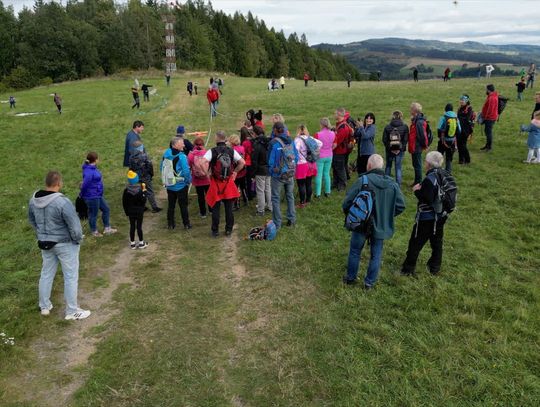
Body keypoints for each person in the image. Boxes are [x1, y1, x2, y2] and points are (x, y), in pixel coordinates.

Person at [28, 171, 91, 320]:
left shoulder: (33, 200)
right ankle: (71, 311)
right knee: (70, 276)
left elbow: (31, 220)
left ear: (47, 183)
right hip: (65, 244)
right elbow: (75, 226)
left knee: (46, 274)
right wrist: (77, 240)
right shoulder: (63, 202)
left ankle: (44, 306)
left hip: (45, 244)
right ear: (58, 183)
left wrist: (41, 234)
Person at [342, 154, 405, 288]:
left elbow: (347, 202)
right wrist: (386, 214)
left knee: (355, 251)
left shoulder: (363, 180)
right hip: (381, 225)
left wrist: (352, 214)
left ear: (369, 166)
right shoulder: (392, 184)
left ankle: (350, 278)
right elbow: (401, 205)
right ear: (381, 166)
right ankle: (369, 282)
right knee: (376, 255)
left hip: (361, 223)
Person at [401, 151, 450, 276]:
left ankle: (408, 269)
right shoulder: (445, 174)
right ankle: (434, 267)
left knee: (415, 243)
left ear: (429, 164)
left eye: (426, 161)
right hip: (441, 215)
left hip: (427, 218)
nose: (425, 163)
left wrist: (416, 191)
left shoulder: (430, 179)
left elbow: (426, 199)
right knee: (437, 242)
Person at [204, 131, 245, 237]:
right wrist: (235, 172)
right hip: (228, 182)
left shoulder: (211, 151)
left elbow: (201, 162)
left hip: (216, 182)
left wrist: (206, 173)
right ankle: (228, 230)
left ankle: (215, 231)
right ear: (225, 139)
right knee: (229, 208)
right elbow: (242, 162)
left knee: (215, 208)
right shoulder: (231, 151)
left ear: (216, 139)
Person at [268, 121, 298, 228]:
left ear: (275, 130)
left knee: (275, 198)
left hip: (278, 175)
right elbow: (296, 156)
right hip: (290, 173)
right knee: (290, 196)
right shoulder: (291, 141)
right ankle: (292, 219)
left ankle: (277, 223)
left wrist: (272, 172)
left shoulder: (273, 143)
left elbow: (270, 161)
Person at [80, 152, 117, 237]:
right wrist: (82, 194)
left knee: (106, 209)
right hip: (92, 196)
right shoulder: (89, 171)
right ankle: (94, 232)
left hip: (97, 194)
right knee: (93, 214)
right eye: (98, 158)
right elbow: (85, 184)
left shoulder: (92, 168)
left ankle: (107, 229)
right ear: (95, 160)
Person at [161, 137, 192, 230]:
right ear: (175, 145)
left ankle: (170, 224)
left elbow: (161, 167)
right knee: (183, 206)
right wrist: (188, 181)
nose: (184, 145)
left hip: (169, 185)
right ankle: (186, 224)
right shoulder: (182, 156)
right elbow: (186, 171)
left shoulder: (166, 153)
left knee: (171, 205)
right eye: (181, 143)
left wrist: (166, 179)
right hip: (180, 185)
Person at [129, 140, 161, 213]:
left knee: (139, 192)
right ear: (140, 147)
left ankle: (141, 207)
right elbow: (150, 166)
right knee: (149, 191)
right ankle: (154, 207)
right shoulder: (144, 156)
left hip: (136, 177)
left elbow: (131, 168)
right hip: (146, 177)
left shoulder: (131, 157)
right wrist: (151, 175)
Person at [294, 124, 322, 208]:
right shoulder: (310, 138)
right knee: (308, 183)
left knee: (301, 184)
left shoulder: (297, 140)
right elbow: (320, 143)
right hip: (311, 163)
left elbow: (295, 149)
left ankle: (302, 202)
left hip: (301, 164)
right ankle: (308, 200)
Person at [122, 171, 149, 249]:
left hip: (130, 212)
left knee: (132, 226)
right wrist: (145, 191)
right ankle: (141, 243)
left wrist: (126, 212)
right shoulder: (140, 190)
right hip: (139, 211)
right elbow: (143, 201)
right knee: (139, 227)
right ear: (136, 180)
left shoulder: (126, 190)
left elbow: (124, 202)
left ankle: (132, 244)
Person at [382, 110, 409, 186]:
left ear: (392, 117)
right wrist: (399, 149)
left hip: (389, 151)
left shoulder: (387, 127)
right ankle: (398, 186)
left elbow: (384, 140)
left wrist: (390, 148)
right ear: (401, 117)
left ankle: (386, 184)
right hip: (400, 151)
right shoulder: (405, 127)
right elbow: (405, 140)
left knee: (388, 166)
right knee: (398, 168)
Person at [250, 125, 272, 216]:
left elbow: (254, 160)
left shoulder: (257, 145)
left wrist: (253, 173)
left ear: (254, 134)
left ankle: (260, 209)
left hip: (260, 170)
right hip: (268, 168)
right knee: (268, 188)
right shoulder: (268, 142)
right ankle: (270, 206)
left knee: (260, 190)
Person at [188, 137, 211, 218]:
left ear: (194, 144)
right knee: (209, 194)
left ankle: (203, 213)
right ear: (203, 144)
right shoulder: (207, 153)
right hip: (207, 178)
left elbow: (189, 166)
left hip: (197, 179)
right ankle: (211, 210)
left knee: (200, 196)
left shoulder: (191, 154)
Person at [313, 118, 335, 198]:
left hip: (320, 156)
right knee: (327, 174)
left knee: (319, 175)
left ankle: (318, 194)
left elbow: (314, 146)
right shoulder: (333, 133)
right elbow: (334, 144)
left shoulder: (318, 134)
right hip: (329, 155)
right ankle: (327, 192)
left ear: (321, 125)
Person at [333, 108, 353, 191]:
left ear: (339, 115)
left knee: (340, 168)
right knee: (336, 167)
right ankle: (336, 182)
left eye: (335, 114)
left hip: (340, 151)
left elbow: (337, 141)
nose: (334, 115)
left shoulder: (343, 128)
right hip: (340, 150)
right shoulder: (341, 124)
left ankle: (342, 184)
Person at [436, 103, 460, 173]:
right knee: (449, 159)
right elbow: (459, 130)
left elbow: (439, 128)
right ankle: (448, 173)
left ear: (445, 110)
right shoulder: (456, 119)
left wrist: (440, 137)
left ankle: (438, 172)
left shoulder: (443, 118)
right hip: (452, 142)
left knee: (439, 156)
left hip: (443, 141)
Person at [408, 102, 429, 185]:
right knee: (415, 164)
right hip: (415, 146)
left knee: (417, 165)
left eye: (411, 109)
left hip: (417, 146)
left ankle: (418, 182)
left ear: (414, 111)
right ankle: (417, 181)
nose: (410, 110)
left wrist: (424, 145)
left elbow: (422, 135)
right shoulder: (416, 120)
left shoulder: (419, 122)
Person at [229, 134, 248, 210]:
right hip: (243, 169)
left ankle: (236, 204)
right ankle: (246, 199)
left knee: (235, 188)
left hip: (235, 171)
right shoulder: (242, 148)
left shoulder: (232, 150)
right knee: (243, 186)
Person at [480, 84, 499, 152]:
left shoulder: (492, 98)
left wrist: (484, 117)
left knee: (488, 132)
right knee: (487, 131)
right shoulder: (492, 96)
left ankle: (489, 147)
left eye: (486, 89)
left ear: (488, 90)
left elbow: (489, 110)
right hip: (490, 117)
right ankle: (487, 145)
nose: (485, 90)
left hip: (490, 118)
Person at [457, 95, 474, 165]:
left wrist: (459, 118)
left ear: (466, 101)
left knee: (463, 145)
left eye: (463, 100)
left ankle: (467, 159)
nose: (461, 101)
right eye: (460, 100)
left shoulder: (469, 108)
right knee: (458, 145)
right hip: (459, 129)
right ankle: (461, 160)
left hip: (466, 130)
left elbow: (467, 118)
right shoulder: (460, 108)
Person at [240, 126, 255, 200]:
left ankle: (249, 195)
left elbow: (243, 153)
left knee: (248, 180)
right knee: (253, 178)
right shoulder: (252, 140)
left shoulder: (244, 143)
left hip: (248, 163)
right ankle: (253, 192)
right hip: (254, 161)